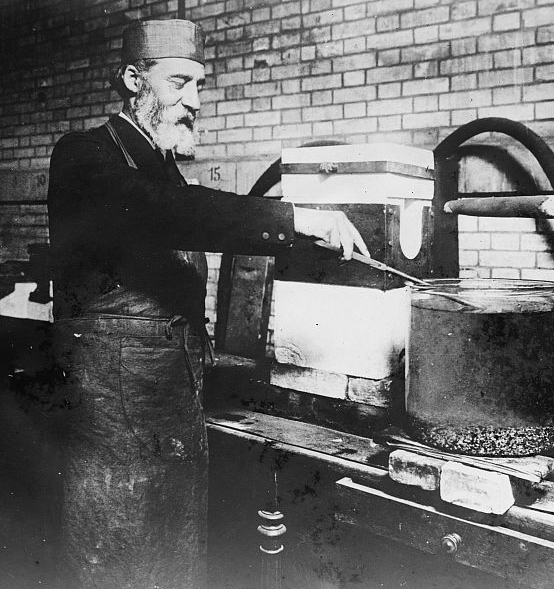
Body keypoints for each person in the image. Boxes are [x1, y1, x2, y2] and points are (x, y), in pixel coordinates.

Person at [46, 18, 368, 589]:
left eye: (199, 85)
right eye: (178, 84)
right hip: (115, 426)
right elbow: (163, 210)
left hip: (172, 411)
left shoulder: (162, 169)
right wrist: (296, 219)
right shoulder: (85, 156)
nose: (193, 101)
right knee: (119, 562)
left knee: (173, 562)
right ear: (131, 80)